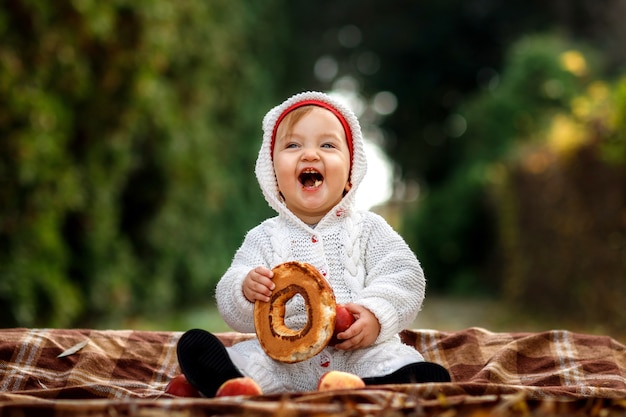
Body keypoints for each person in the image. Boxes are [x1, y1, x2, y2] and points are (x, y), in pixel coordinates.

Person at [176, 91, 450, 396]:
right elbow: (230, 299)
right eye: (293, 145)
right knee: (250, 358)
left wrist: (374, 314)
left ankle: (376, 385)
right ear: (273, 176)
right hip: (283, 358)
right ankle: (230, 380)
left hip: (357, 353)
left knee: (395, 359)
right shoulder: (264, 237)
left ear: (350, 174)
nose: (309, 154)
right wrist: (244, 288)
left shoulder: (369, 228)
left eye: (328, 145)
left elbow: (406, 277)